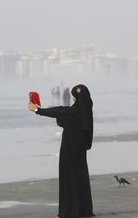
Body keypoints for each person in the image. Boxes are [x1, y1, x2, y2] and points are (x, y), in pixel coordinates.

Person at [28, 84, 94, 218]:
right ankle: (84, 210)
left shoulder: (73, 112)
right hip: (80, 150)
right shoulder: (86, 111)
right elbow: (61, 110)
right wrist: (39, 110)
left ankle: (70, 211)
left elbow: (59, 111)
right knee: (81, 178)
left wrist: (38, 110)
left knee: (68, 179)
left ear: (75, 98)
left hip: (69, 150)